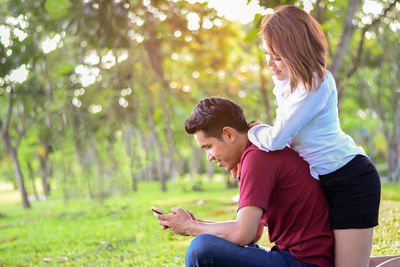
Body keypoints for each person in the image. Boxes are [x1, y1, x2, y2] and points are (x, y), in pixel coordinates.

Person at [247, 5, 381, 267]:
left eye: (277, 56)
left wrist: (252, 130)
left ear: (295, 51)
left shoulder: (315, 85)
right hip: (323, 182)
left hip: (350, 180)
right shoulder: (289, 84)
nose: (269, 63)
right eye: (267, 54)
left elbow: (275, 140)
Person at [154, 97, 334, 267]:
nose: (208, 157)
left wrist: (190, 227)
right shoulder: (256, 150)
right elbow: (253, 233)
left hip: (305, 262)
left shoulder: (257, 157)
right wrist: (198, 222)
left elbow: (243, 233)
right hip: (294, 258)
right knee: (211, 244)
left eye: (208, 147)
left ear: (229, 134)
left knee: (201, 249)